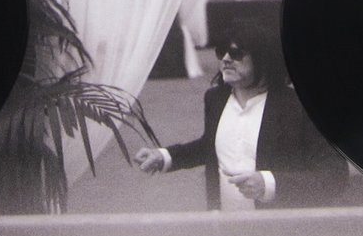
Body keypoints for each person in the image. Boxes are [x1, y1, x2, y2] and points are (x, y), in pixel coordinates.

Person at [134, 13, 347, 210]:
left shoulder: (299, 107)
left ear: (264, 59)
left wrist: (269, 184)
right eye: (221, 51)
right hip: (223, 225)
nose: (225, 58)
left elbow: (335, 176)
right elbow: (211, 146)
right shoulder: (215, 99)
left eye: (236, 53)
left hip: (279, 228)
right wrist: (165, 156)